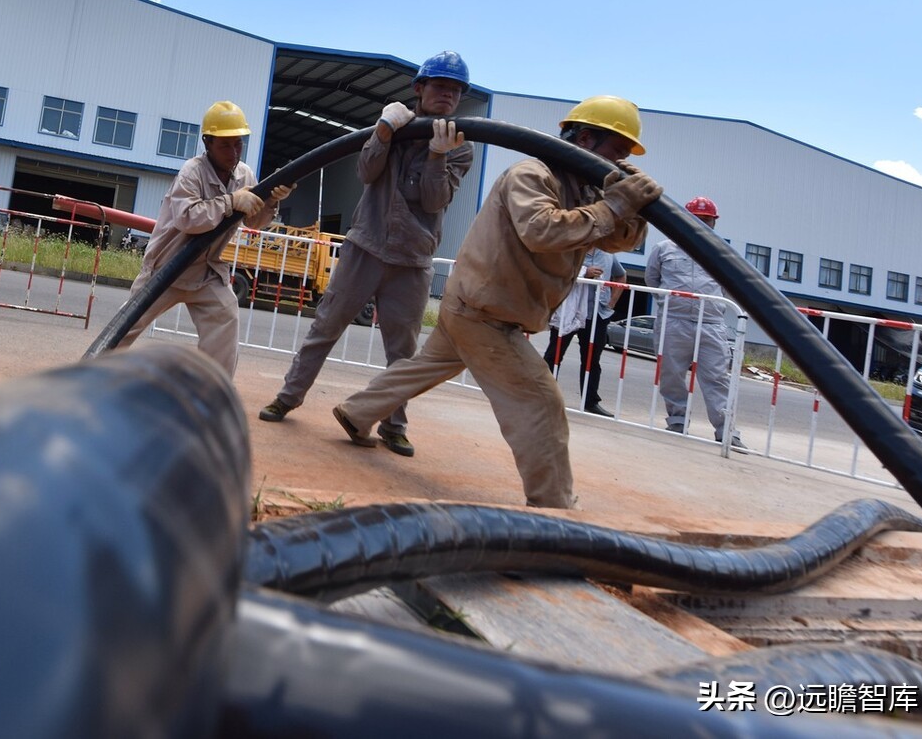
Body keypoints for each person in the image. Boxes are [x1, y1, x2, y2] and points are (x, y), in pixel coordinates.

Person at [332, 96, 662, 508]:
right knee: (540, 403)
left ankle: (356, 411)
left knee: (420, 370)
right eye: (616, 151)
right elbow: (541, 230)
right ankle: (553, 507)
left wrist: (634, 207)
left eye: (625, 156)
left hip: (472, 306)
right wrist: (612, 205)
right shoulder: (533, 175)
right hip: (485, 315)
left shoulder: (584, 191)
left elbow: (616, 237)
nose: (618, 161)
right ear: (587, 138)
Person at [258, 51, 475, 457]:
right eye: (440, 86)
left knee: (403, 352)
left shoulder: (460, 147)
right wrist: (384, 132)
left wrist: (437, 154)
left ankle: (394, 425)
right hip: (365, 247)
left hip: (412, 260)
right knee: (324, 328)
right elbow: (366, 172)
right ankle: (287, 397)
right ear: (419, 89)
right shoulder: (393, 127)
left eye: (455, 90)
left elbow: (433, 200)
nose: (448, 95)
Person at [118, 100, 293, 376]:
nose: (233, 152)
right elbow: (188, 218)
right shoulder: (192, 172)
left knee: (225, 318)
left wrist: (271, 200)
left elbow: (254, 220)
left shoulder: (244, 174)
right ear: (207, 143)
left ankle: (213, 393)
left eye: (238, 144)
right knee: (123, 328)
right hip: (166, 269)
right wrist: (230, 202)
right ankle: (90, 380)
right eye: (225, 145)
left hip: (206, 272)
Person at [644, 196, 745, 450]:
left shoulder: (721, 251)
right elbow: (651, 279)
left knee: (717, 377)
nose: (701, 223)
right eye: (696, 218)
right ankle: (677, 421)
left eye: (707, 220)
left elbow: (732, 284)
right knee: (672, 373)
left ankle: (726, 431)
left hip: (710, 322)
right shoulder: (663, 248)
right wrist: (671, 303)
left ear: (714, 223)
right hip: (673, 321)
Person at [542, 249, 625, 417]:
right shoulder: (572, 250)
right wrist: (584, 273)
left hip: (597, 315)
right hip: (569, 312)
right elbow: (555, 271)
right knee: (554, 356)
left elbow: (621, 276)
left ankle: (590, 402)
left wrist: (611, 303)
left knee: (592, 360)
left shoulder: (608, 255)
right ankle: (543, 396)